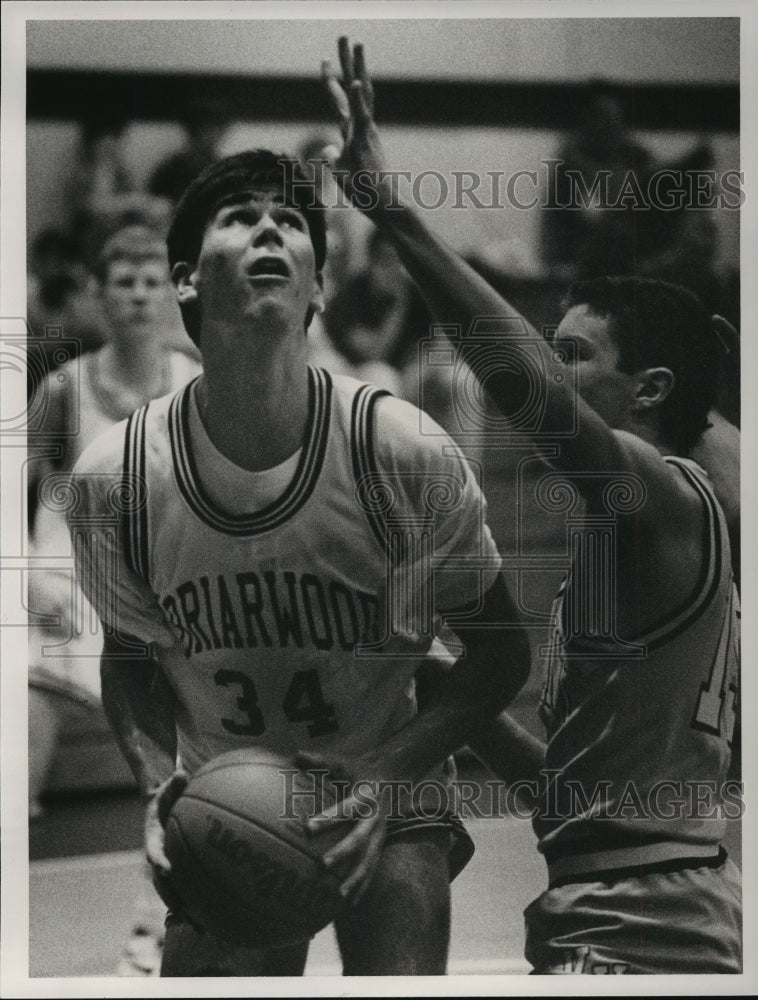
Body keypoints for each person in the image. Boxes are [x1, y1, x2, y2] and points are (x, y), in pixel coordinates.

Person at [320, 39, 740, 974]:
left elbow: (528, 396)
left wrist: (396, 216)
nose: (556, 372)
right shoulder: (641, 538)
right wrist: (446, 686)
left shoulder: (661, 498)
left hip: (645, 926)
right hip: (621, 899)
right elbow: (566, 793)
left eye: (578, 355)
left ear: (652, 390)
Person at [67, 145, 531, 976]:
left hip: (387, 789)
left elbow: (500, 653)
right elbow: (130, 657)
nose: (270, 229)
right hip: (227, 792)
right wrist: (153, 778)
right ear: (186, 279)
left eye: (290, 220)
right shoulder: (117, 476)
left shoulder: (399, 448)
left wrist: (388, 773)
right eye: (241, 218)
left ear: (318, 286)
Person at [27, 223, 201, 973]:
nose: (136, 293)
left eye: (150, 280)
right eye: (121, 281)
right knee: (14, 728)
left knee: (188, 762)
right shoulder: (62, 387)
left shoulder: (195, 378)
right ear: (98, 295)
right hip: (60, 584)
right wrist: (27, 576)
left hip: (152, 589)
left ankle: (149, 932)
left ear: (172, 292)